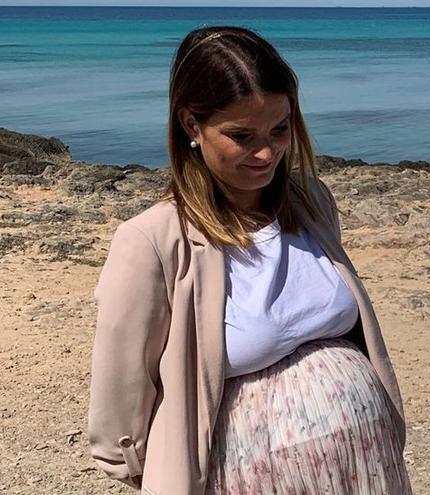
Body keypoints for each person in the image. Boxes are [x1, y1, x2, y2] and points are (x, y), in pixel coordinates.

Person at [88, 26, 410, 494]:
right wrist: (155, 472)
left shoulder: (311, 202)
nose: (267, 152)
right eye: (241, 136)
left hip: (364, 469)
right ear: (190, 126)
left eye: (280, 129)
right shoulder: (152, 241)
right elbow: (120, 400)